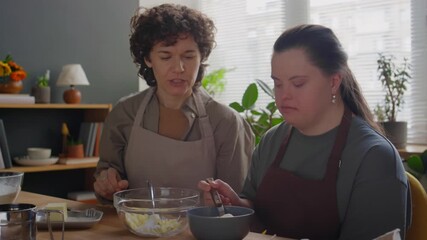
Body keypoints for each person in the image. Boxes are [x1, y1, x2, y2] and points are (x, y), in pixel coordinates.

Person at [199, 24, 410, 240]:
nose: (284, 96)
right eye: (278, 84)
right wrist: (235, 205)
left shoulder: (374, 158)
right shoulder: (273, 139)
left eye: (298, 83)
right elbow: (258, 214)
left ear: (334, 81)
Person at [94, 4, 254, 203]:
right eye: (165, 56)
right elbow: (107, 187)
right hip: (136, 231)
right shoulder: (124, 114)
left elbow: (237, 206)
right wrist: (107, 186)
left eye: (188, 56)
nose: (178, 68)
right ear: (148, 59)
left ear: (201, 57)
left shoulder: (226, 122)